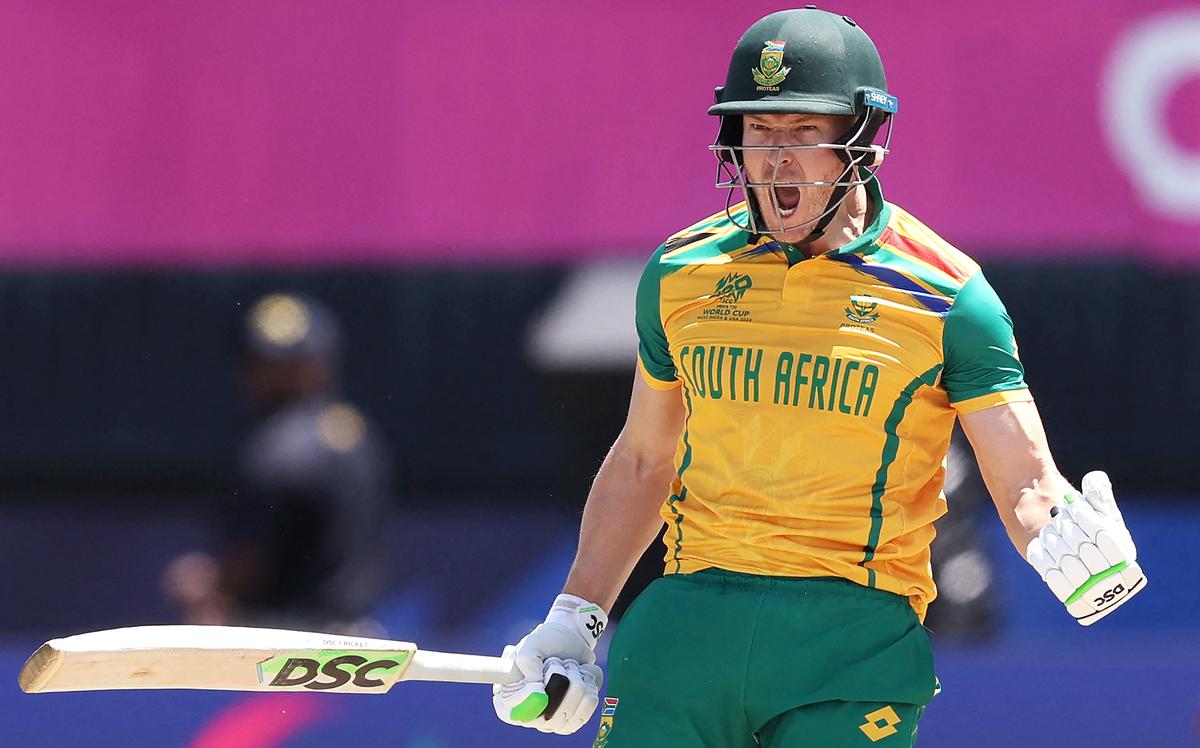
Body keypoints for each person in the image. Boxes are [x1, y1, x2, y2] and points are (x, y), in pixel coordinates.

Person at [492, 7, 1146, 747]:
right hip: (688, 624)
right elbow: (645, 458)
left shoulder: (950, 296)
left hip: (851, 639)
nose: (775, 161)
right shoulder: (680, 271)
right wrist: (575, 618)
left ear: (861, 140)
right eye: (757, 131)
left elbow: (1025, 483)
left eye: (804, 132)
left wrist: (1070, 544)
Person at [163, 292, 391, 635]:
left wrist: (211, 585)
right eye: (261, 363)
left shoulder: (277, 447)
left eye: (286, 365)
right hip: (353, 642)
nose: (266, 376)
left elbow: (251, 563)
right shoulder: (358, 434)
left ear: (319, 364)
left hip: (284, 649)